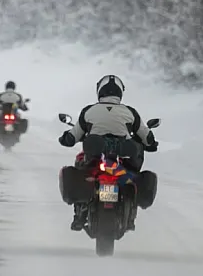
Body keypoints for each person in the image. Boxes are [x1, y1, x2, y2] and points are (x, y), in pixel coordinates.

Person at [58, 74, 158, 231]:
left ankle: (79, 213)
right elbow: (147, 137)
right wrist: (151, 143)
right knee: (133, 174)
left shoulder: (89, 111)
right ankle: (130, 211)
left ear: (100, 91)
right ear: (120, 93)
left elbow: (73, 136)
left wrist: (65, 138)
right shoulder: (130, 112)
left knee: (80, 164)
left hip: (95, 159)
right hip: (122, 164)